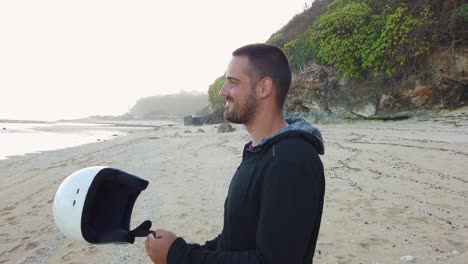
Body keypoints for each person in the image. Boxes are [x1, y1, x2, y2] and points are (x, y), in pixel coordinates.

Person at [145, 43, 325, 264]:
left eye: (233, 82)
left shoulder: (291, 159)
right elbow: (236, 237)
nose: (223, 91)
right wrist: (180, 249)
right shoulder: (259, 152)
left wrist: (178, 256)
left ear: (263, 88)